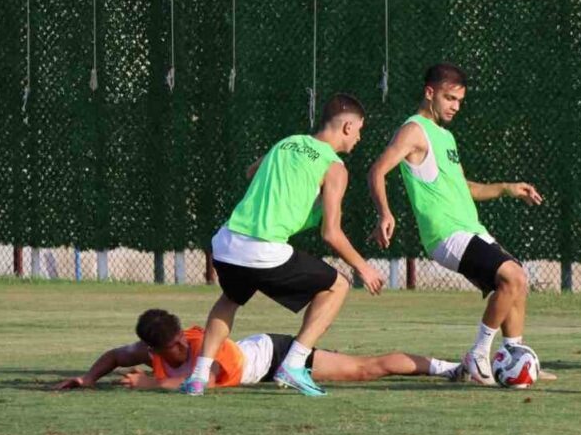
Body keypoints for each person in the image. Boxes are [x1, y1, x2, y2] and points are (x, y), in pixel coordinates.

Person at [185, 94, 386, 398]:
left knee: (230, 298)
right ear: (347, 126)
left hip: (226, 243)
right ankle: (293, 365)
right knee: (338, 286)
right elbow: (331, 233)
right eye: (359, 129)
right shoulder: (335, 168)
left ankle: (198, 378)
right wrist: (364, 267)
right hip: (263, 250)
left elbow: (251, 173)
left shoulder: (286, 142)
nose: (359, 137)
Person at [367, 64, 546, 385]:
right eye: (449, 98)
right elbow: (377, 170)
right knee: (513, 275)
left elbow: (466, 188)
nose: (455, 106)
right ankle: (478, 356)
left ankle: (514, 360)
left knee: (516, 281)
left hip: (469, 229)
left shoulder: (445, 136)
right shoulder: (414, 130)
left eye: (460, 101)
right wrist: (385, 213)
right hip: (446, 233)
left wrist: (507, 188)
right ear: (429, 93)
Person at [53, 309, 464, 391]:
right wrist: (89, 377)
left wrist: (146, 385)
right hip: (260, 361)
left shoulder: (198, 345)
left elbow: (200, 383)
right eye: (174, 345)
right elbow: (114, 354)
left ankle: (450, 368)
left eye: (182, 338)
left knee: (365, 369)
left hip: (274, 354)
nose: (182, 344)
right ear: (155, 348)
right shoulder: (150, 350)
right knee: (361, 368)